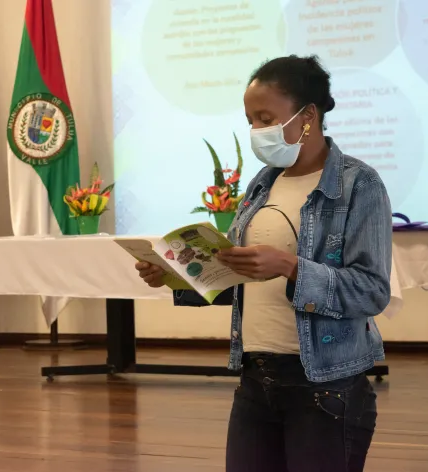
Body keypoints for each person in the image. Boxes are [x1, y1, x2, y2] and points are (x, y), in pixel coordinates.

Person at [135, 55, 391, 472]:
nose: (256, 131)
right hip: (256, 379)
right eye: (250, 120)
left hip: (325, 389)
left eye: (265, 118)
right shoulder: (262, 183)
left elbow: (371, 291)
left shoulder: (357, 184)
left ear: (308, 116)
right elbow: (243, 278)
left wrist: (292, 267)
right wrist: (177, 275)